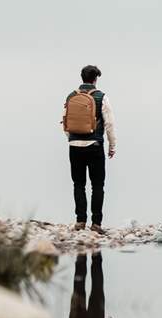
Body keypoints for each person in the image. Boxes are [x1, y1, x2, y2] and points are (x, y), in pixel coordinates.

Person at [62, 65, 117, 233]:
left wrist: (72, 139)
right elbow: (109, 124)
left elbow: (65, 123)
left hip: (74, 146)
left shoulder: (71, 96)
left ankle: (80, 221)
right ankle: (96, 224)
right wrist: (112, 146)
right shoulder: (101, 97)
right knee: (97, 185)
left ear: (82, 78)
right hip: (94, 146)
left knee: (78, 184)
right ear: (95, 79)